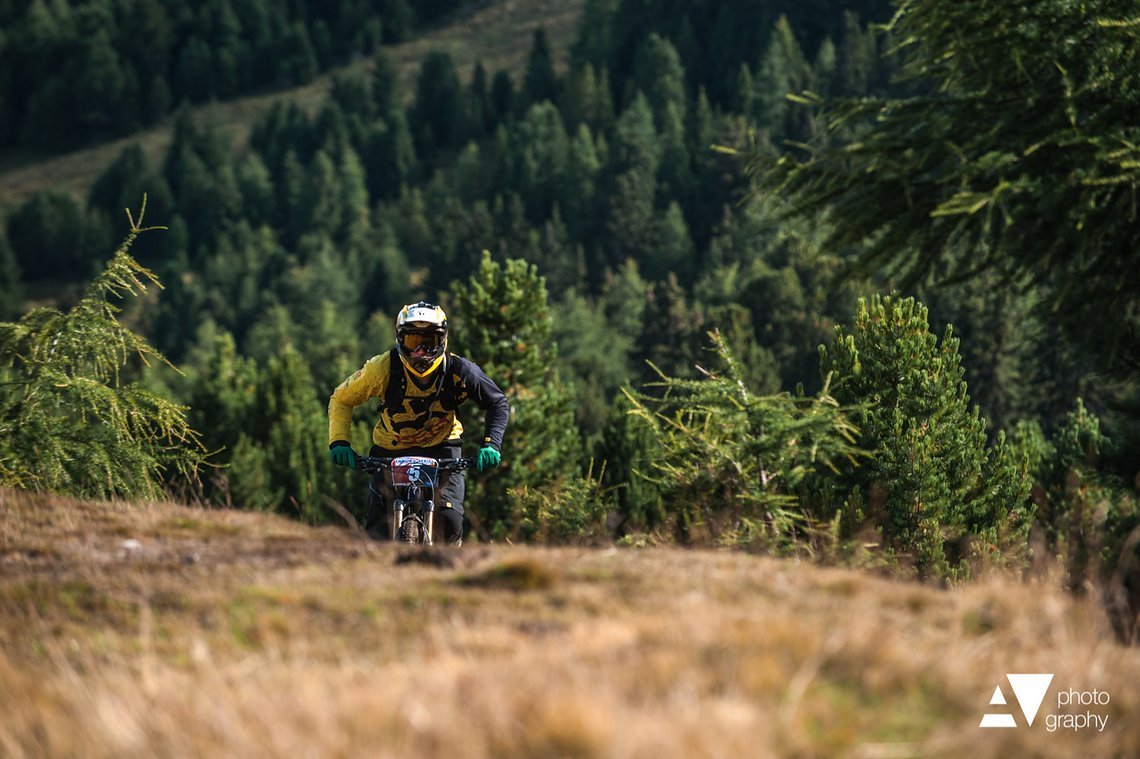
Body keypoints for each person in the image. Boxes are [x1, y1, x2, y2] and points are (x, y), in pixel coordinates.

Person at [327, 301, 509, 544]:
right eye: (413, 342)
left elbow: (497, 403)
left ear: (442, 340)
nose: (421, 351)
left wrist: (491, 444)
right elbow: (341, 398)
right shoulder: (382, 369)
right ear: (400, 340)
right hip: (390, 450)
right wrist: (339, 441)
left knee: (450, 519)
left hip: (443, 446)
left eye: (429, 342)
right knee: (377, 532)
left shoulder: (461, 371)